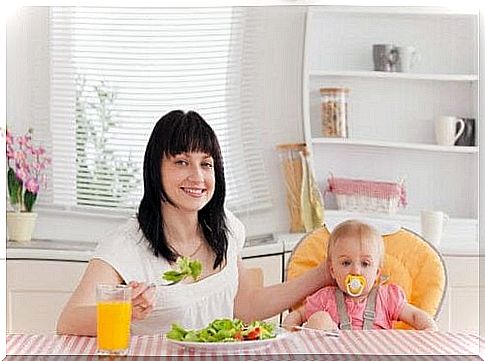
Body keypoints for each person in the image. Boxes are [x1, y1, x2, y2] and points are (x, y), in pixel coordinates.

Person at [57, 110, 333, 336]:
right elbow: (68, 321)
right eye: (181, 162)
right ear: (156, 169)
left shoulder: (224, 228)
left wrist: (322, 274)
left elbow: (245, 306)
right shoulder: (127, 244)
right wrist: (124, 307)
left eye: (206, 164)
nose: (197, 177)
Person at [283, 219, 438, 331]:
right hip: (335, 353)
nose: (356, 271)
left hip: (376, 354)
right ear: (332, 271)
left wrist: (429, 331)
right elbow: (297, 315)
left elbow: (415, 316)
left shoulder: (387, 298)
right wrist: (290, 334)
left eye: (365, 264)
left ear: (377, 272)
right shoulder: (325, 298)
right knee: (319, 319)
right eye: (346, 263)